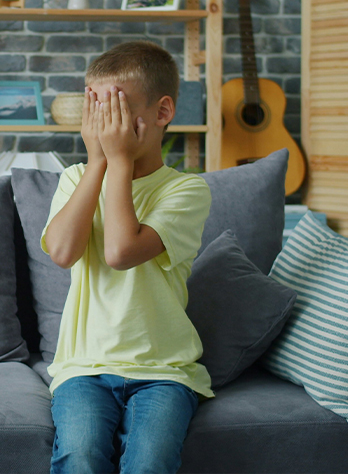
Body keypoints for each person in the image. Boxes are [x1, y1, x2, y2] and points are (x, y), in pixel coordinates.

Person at [40, 40, 214, 474]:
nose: (105, 126)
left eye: (116, 110)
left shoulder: (186, 190)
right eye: (96, 110)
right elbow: (62, 252)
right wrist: (97, 163)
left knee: (150, 462)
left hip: (164, 371)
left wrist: (117, 161)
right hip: (83, 368)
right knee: (79, 455)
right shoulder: (75, 178)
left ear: (162, 112)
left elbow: (120, 252)